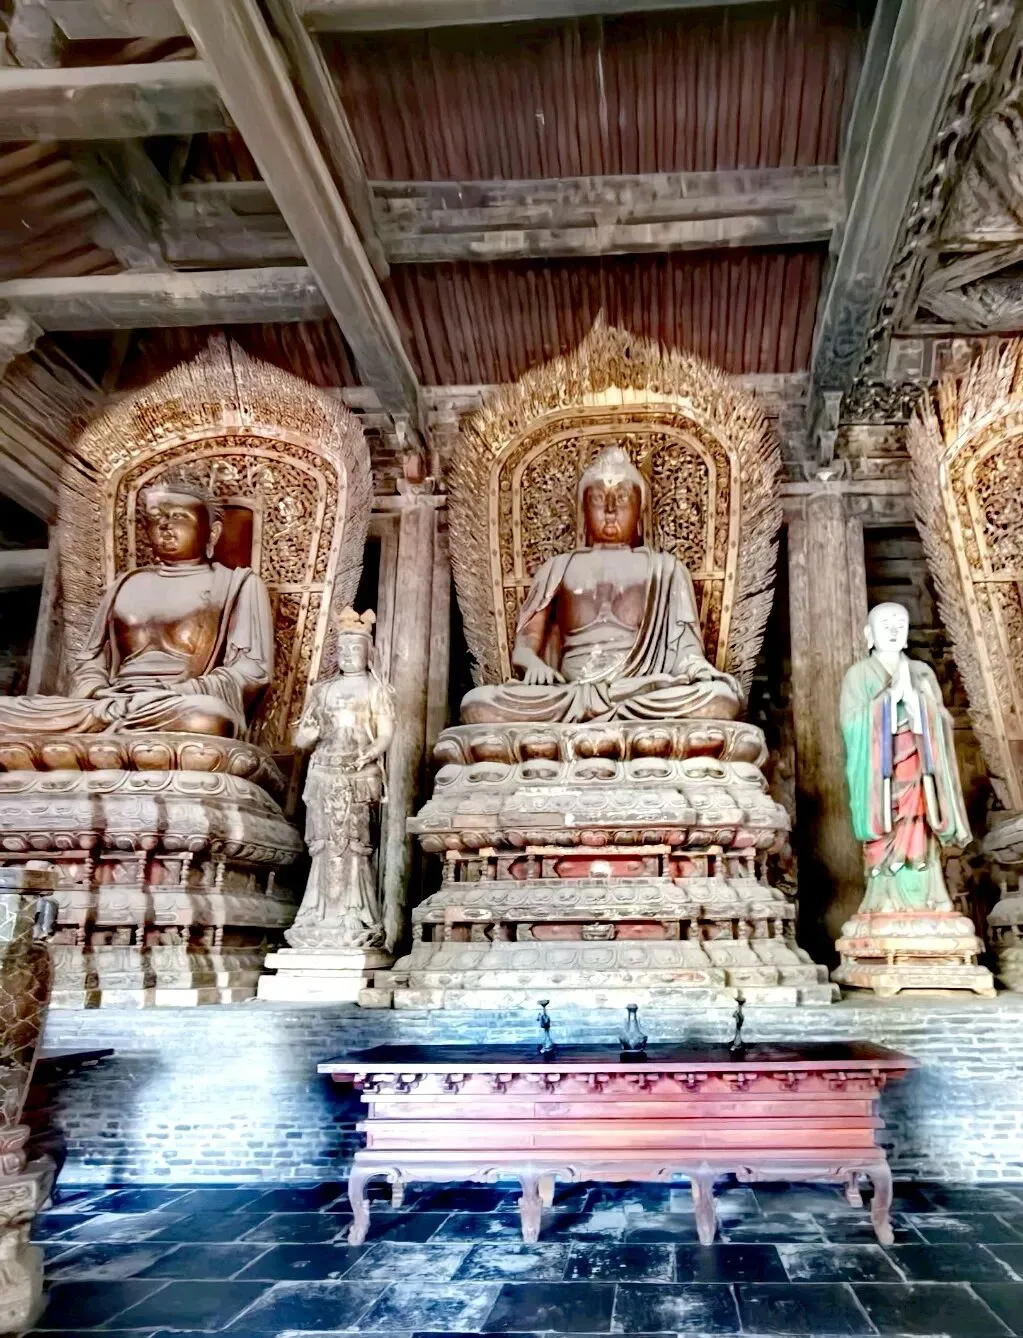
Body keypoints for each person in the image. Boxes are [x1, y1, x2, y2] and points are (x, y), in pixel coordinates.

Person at [460, 445, 742, 724]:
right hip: (569, 694)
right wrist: (534, 666)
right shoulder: (558, 568)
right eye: (597, 499)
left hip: (638, 691)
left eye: (622, 498)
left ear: (640, 509)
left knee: (718, 699)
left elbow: (686, 652)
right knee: (477, 703)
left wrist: (698, 669)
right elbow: (524, 647)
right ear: (583, 510)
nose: (609, 510)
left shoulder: (667, 570)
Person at [0, 481, 272, 738]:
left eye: (179, 517)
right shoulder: (126, 583)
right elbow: (91, 660)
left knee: (208, 717)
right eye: (155, 517)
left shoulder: (238, 584)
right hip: (109, 704)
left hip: (177, 703)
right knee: (6, 713)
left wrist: (176, 692)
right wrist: (97, 691)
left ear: (212, 532)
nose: (165, 525)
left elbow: (252, 671)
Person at [840, 601, 971, 910]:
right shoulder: (858, 675)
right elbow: (850, 724)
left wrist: (917, 705)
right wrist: (887, 701)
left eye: (900, 625)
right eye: (885, 625)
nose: (893, 630)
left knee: (922, 825)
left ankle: (930, 896)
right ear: (869, 634)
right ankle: (883, 896)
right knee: (886, 826)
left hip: (919, 770)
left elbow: (943, 720)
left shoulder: (922, 673)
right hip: (881, 776)